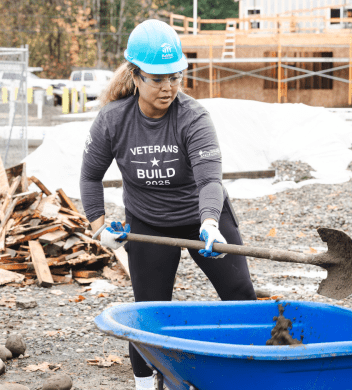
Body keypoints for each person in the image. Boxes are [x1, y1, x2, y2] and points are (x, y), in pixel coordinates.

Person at [80, 19, 256, 390]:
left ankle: (255, 374)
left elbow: (210, 180)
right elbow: (90, 176)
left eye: (175, 77)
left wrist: (209, 222)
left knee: (240, 296)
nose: (168, 87)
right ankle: (146, 385)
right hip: (149, 223)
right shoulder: (113, 120)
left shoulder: (193, 117)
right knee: (147, 312)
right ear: (135, 75)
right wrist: (98, 228)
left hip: (202, 218)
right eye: (157, 79)